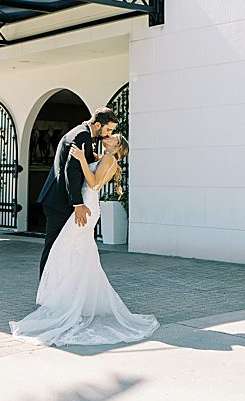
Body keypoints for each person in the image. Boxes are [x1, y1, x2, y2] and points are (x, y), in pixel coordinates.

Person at [10, 134, 158, 346]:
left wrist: (80, 158)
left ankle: (70, 301)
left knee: (66, 251)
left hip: (86, 207)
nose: (108, 137)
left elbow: (94, 182)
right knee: (77, 254)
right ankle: (74, 300)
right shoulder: (106, 158)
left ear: (117, 147)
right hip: (89, 207)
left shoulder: (109, 160)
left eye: (113, 138)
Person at [35, 108, 117, 278]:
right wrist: (78, 204)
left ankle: (58, 288)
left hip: (63, 200)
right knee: (53, 247)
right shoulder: (82, 136)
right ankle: (46, 291)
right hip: (59, 201)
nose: (109, 134)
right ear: (97, 124)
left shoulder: (85, 134)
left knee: (65, 248)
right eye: (108, 129)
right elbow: (71, 171)